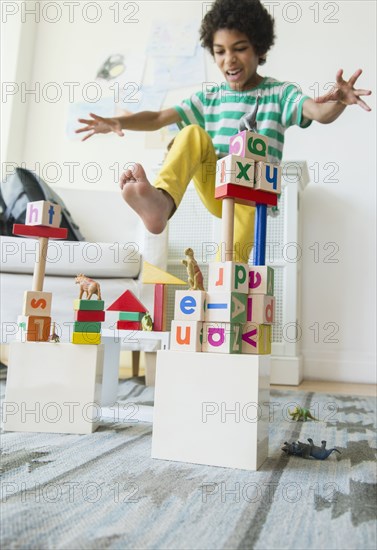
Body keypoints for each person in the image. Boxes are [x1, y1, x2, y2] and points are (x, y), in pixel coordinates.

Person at [76, 0, 371, 263]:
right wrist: (120, 122)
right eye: (220, 51)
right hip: (215, 184)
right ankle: (161, 203)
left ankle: (222, 295)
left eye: (239, 49)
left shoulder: (279, 93)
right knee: (191, 133)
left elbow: (318, 112)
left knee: (228, 267)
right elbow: (157, 117)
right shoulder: (210, 97)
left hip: (251, 197)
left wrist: (340, 103)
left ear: (261, 49)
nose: (229, 59)